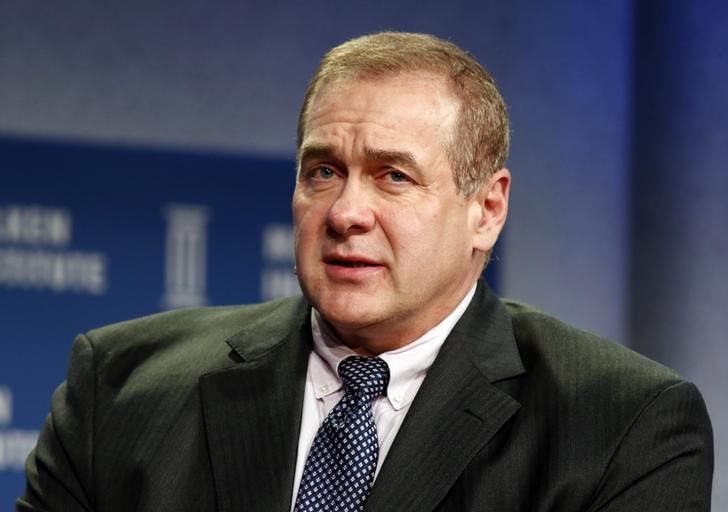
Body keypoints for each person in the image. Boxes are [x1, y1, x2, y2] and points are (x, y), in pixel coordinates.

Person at [17, 32, 713, 512]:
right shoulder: (120, 387)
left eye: (393, 177)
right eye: (324, 171)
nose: (347, 211)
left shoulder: (621, 425)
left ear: (487, 209)